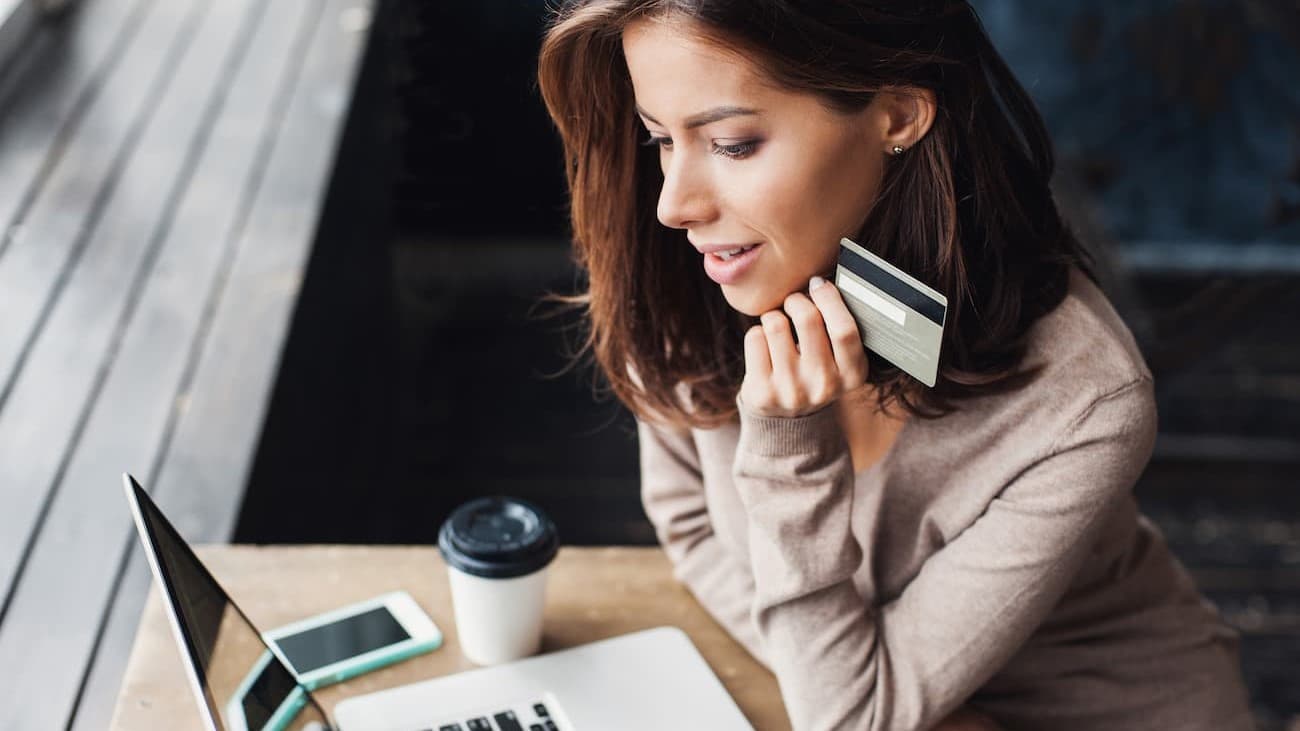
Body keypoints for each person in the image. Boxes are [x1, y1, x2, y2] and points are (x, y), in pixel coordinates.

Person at [534, 1, 1256, 729]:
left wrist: (790, 454)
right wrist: (855, 676)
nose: (674, 204)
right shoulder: (696, 274)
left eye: (733, 143)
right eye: (659, 137)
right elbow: (689, 524)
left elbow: (850, 717)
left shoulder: (1087, 398)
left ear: (899, 114)